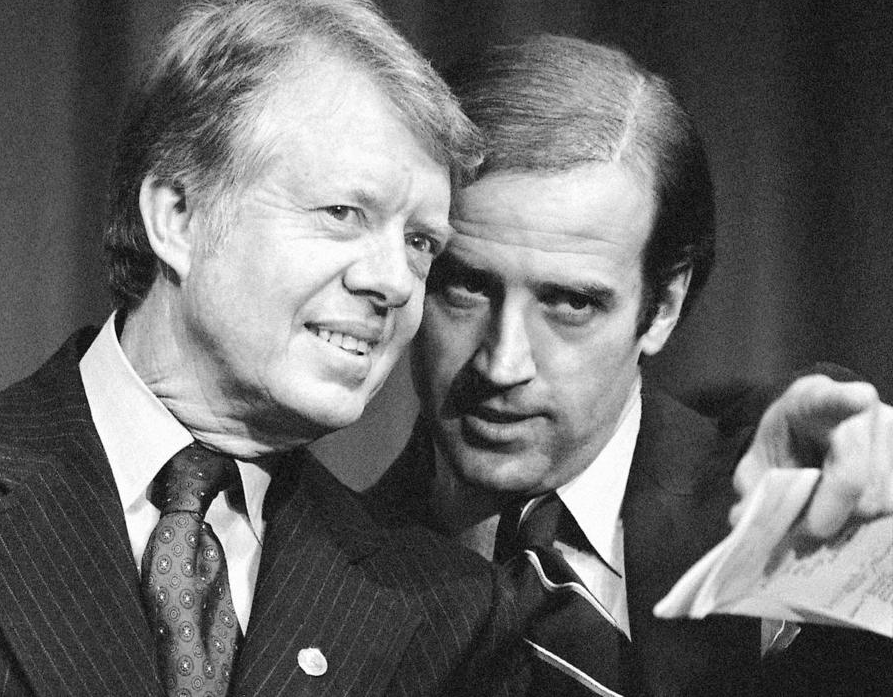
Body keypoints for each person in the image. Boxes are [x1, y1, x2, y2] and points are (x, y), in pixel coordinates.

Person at [0, 0, 526, 697]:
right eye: (344, 212)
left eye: (420, 242)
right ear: (178, 216)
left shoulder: (448, 612)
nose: (396, 283)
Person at [369, 34, 893, 696]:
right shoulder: (311, 582)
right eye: (465, 285)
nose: (502, 364)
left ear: (664, 305)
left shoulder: (782, 513)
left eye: (569, 303)